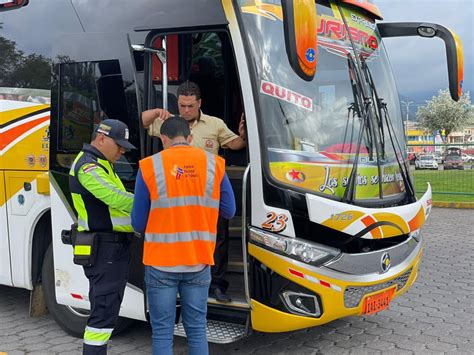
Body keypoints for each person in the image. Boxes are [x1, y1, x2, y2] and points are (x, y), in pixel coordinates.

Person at [131, 116, 236, 355]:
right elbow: (229, 211)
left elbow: (138, 222)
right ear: (189, 138)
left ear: (163, 139)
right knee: (197, 328)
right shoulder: (215, 164)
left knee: (162, 331)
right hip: (199, 260)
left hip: (160, 262)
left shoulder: (149, 166)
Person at [142, 81, 244, 303]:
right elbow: (143, 121)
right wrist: (157, 111)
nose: (186, 110)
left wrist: (244, 136)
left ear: (199, 103)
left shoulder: (214, 124)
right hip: (177, 194)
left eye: (190, 106)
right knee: (179, 240)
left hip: (208, 195)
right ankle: (183, 284)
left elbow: (235, 144)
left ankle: (216, 284)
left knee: (219, 239)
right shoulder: (168, 123)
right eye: (182, 105)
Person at [69, 119, 136, 354]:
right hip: (104, 248)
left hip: (111, 248)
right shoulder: (88, 167)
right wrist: (150, 202)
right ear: (101, 139)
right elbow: (116, 198)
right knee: (103, 311)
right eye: (119, 145)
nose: (122, 151)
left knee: (107, 310)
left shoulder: (102, 163)